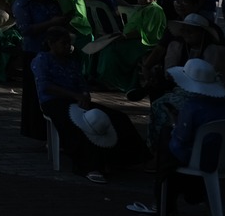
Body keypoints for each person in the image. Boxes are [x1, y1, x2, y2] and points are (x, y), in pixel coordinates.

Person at [34, 28, 145, 182]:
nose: (67, 47)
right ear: (51, 44)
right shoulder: (42, 59)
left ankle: (129, 159)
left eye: (68, 44)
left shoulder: (72, 61)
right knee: (78, 125)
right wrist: (75, 95)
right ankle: (88, 166)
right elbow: (46, 86)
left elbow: (81, 83)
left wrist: (85, 95)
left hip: (77, 99)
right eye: (63, 44)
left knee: (117, 118)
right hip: (54, 101)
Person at [140, 59, 225, 216]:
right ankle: (185, 196)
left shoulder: (193, 106)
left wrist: (176, 124)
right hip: (221, 159)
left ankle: (162, 202)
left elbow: (181, 140)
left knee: (166, 142)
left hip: (196, 158)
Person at [14, 0, 72, 139]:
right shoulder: (23, 3)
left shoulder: (51, 2)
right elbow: (25, 29)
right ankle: (35, 129)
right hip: (33, 51)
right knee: (35, 92)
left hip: (54, 51)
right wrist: (49, 23)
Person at [90, 0, 166, 95]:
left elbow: (145, 33)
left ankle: (115, 83)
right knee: (102, 45)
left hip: (145, 44)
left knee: (112, 50)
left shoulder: (154, 9)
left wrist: (124, 37)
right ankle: (100, 78)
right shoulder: (142, 9)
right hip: (132, 39)